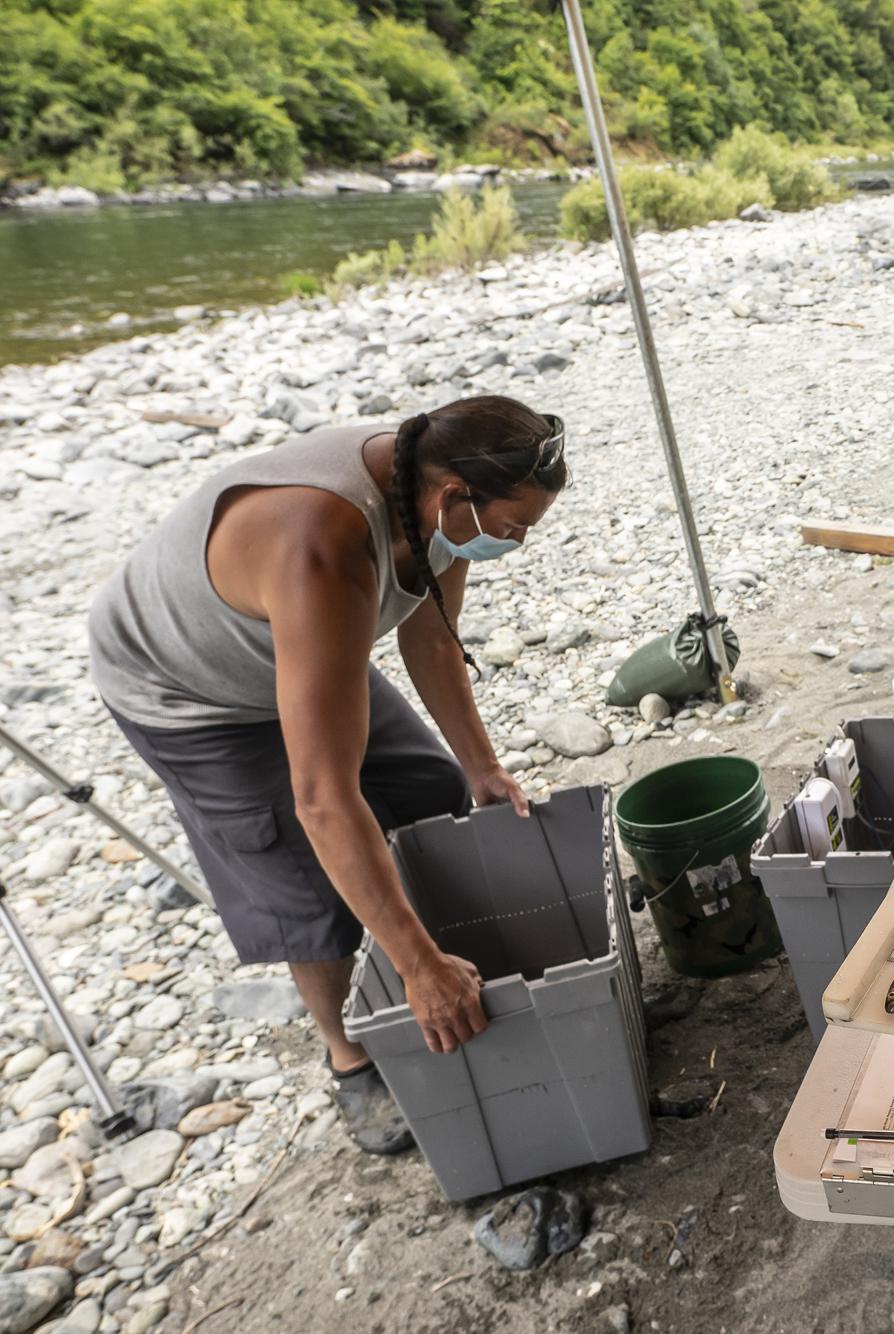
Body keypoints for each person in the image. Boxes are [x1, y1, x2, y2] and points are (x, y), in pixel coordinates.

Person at [88, 395, 569, 1154]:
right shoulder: (325, 547)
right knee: (305, 885)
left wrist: (482, 766)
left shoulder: (435, 503)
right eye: (515, 526)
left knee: (429, 790)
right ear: (455, 497)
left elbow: (434, 642)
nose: (518, 542)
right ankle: (350, 1056)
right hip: (186, 688)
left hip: (294, 644)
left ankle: (427, 952)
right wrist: (418, 968)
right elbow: (321, 800)